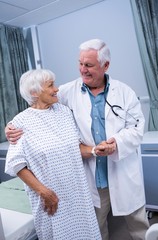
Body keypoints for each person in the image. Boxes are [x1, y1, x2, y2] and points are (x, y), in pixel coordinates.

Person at [5, 39, 149, 240]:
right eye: (80, 63)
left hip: (121, 170)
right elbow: (38, 106)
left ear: (105, 65)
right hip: (90, 175)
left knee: (139, 224)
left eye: (88, 65)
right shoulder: (66, 92)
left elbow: (136, 127)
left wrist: (115, 143)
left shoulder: (124, 92)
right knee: (96, 228)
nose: (82, 70)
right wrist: (10, 127)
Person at [5, 69, 103, 240]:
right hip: (50, 198)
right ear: (34, 92)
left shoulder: (64, 112)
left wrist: (96, 149)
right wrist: (44, 192)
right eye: (50, 85)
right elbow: (16, 164)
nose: (56, 89)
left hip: (78, 192)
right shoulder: (20, 122)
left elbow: (75, 147)